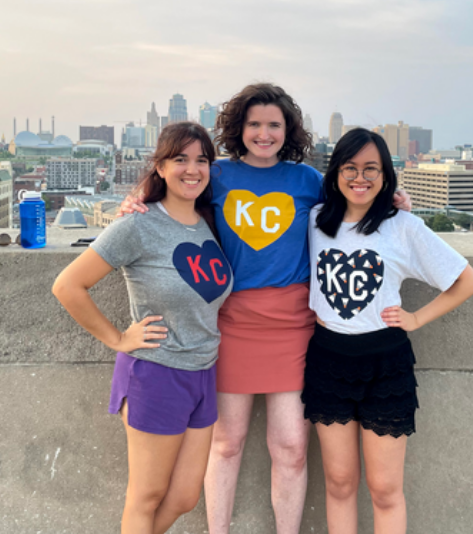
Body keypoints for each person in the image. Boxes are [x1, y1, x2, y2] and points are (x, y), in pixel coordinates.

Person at [121, 83, 410, 534]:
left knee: (292, 446)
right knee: (227, 442)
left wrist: (396, 204)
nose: (264, 133)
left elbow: (354, 209)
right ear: (240, 128)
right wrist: (136, 197)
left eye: (274, 124)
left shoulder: (307, 180)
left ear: (288, 130)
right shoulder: (216, 175)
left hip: (294, 324)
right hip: (231, 320)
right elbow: (174, 192)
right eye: (254, 123)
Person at [52, 121, 233, 534]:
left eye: (202, 160)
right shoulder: (137, 224)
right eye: (180, 159)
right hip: (156, 372)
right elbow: (67, 285)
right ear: (161, 167)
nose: (193, 169)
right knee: (146, 496)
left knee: (186, 496)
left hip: (203, 372)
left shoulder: (208, 221)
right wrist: (117, 338)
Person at [304, 128, 473, 534]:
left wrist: (418, 317)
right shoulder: (315, 220)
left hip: (385, 364)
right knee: (339, 483)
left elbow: (468, 280)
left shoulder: (403, 226)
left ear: (386, 176)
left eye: (372, 169)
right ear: (334, 173)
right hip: (327, 360)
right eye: (349, 168)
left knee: (385, 489)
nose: (360, 178)